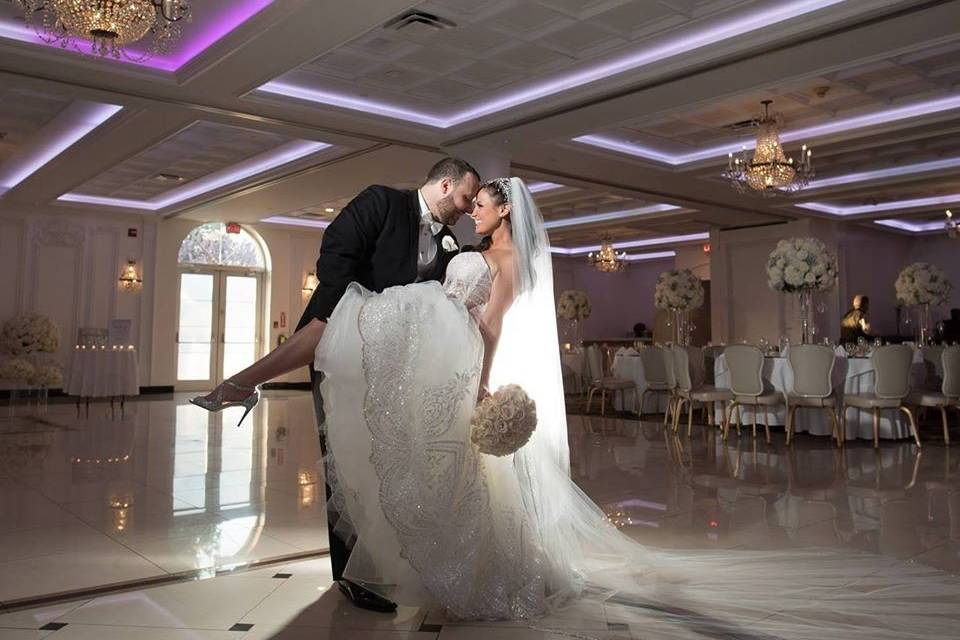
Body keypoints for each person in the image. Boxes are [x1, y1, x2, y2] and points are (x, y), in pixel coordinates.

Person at [195, 178, 960, 636]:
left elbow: (488, 325)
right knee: (363, 361)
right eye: (476, 202)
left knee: (355, 342)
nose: (476, 211)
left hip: (456, 358)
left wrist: (479, 381)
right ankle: (253, 382)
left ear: (500, 213)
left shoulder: (498, 258)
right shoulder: (487, 250)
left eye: (484, 204)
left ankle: (249, 383)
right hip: (435, 348)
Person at [191, 156, 481, 612]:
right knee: (343, 459)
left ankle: (385, 559)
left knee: (384, 462)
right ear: (446, 185)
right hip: (343, 344)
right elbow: (337, 248)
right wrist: (353, 314)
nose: (466, 209)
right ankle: (351, 575)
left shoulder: (451, 241)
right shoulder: (382, 202)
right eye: (465, 198)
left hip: (396, 364)